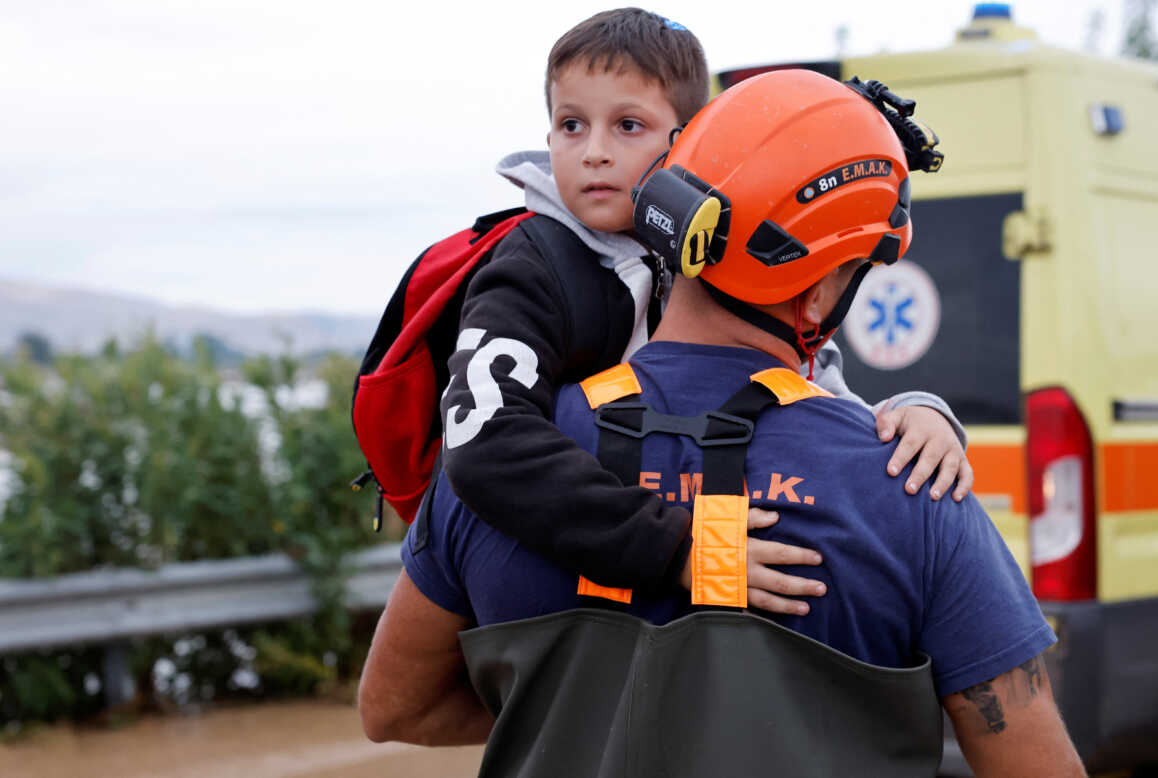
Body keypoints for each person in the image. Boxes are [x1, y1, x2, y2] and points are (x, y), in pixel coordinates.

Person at [360, 69, 1084, 777]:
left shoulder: (494, 464)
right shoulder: (914, 489)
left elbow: (394, 708)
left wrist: (570, 704)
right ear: (821, 291)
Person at [437, 7, 973, 610]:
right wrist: (679, 550)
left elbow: (811, 388)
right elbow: (483, 441)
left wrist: (914, 415)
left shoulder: (707, 251)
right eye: (570, 125)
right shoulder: (530, 266)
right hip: (554, 585)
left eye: (628, 125)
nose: (594, 152)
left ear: (689, 142)